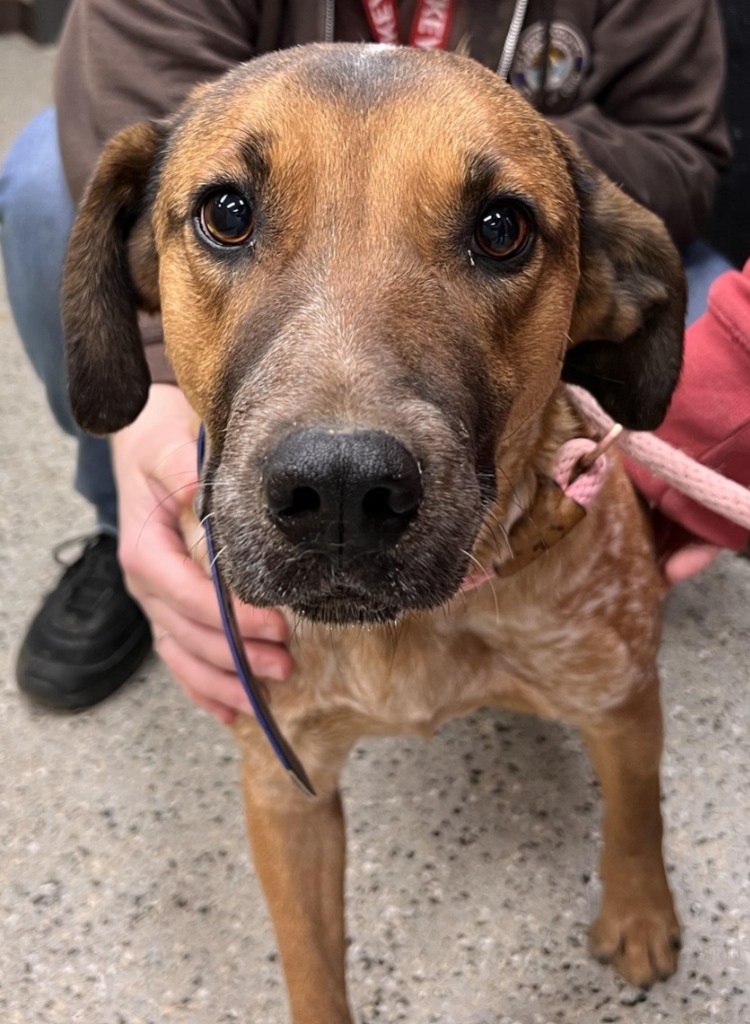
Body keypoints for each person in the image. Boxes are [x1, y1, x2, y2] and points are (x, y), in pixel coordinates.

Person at [0, 0, 741, 719]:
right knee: (42, 177)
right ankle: (123, 525)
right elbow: (155, 148)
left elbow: (678, 147)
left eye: (495, 229)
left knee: (720, 346)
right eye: (231, 216)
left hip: (595, 226)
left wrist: (498, 137)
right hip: (253, 301)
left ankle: (616, 510)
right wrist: (150, 409)